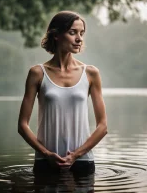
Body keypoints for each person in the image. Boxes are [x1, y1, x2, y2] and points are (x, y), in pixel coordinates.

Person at [18, 11, 107, 175]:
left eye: (81, 33)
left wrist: (76, 155)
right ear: (56, 35)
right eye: (72, 32)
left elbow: (102, 126)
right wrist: (46, 154)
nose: (79, 38)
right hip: (45, 162)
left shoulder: (91, 73)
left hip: (83, 163)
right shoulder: (37, 73)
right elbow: (22, 126)